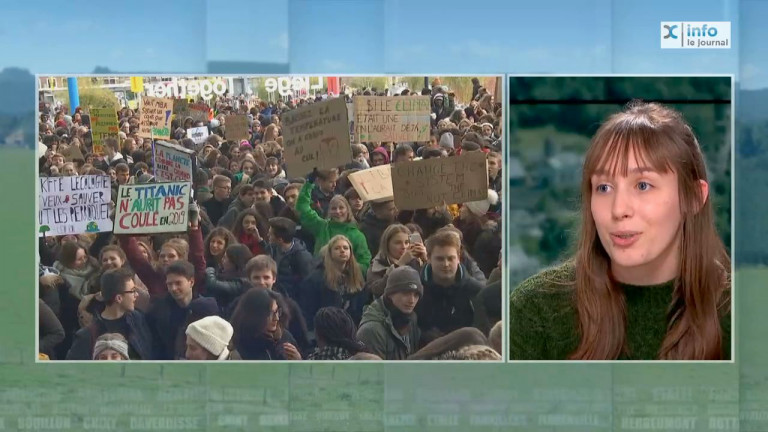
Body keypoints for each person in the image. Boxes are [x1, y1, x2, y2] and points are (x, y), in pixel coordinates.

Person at [509, 102, 731, 361]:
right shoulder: (535, 311)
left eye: (643, 185)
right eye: (604, 188)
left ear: (693, 197)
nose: (619, 209)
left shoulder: (743, 315)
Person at [67, 268, 154, 360]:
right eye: (132, 291)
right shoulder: (86, 336)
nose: (136, 295)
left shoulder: (138, 320)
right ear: (119, 298)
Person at [296, 171, 371, 275]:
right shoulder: (321, 227)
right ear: (329, 211)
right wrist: (309, 183)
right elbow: (302, 208)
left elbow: (365, 262)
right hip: (321, 279)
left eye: (341, 208)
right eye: (334, 208)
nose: (338, 212)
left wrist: (347, 271)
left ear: (348, 210)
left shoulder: (357, 235)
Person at [416, 230, 484, 342]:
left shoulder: (475, 290)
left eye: (450, 258)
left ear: (458, 258)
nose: (446, 264)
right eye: (440, 259)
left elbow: (482, 331)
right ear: (428, 258)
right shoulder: (417, 289)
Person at [299, 235, 368, 329]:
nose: (342, 251)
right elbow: (308, 310)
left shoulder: (357, 276)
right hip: (325, 328)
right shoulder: (316, 278)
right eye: (337, 248)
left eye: (345, 248)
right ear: (330, 253)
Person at [356, 266, 422, 360]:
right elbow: (375, 373)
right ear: (390, 294)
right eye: (405, 293)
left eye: (416, 295)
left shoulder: (411, 318)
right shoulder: (372, 330)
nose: (412, 300)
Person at [147, 261, 208, 360]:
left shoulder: (205, 309)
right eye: (169, 284)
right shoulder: (157, 310)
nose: (173, 288)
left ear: (191, 282)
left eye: (178, 283)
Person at [229, 289, 302, 360]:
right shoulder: (238, 344)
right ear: (255, 316)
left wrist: (298, 361)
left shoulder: (285, 337)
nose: (276, 318)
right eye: (270, 314)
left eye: (277, 312)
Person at [365, 224, 427, 298]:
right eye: (398, 243)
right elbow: (377, 290)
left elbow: (428, 285)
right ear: (387, 245)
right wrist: (399, 265)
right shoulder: (377, 265)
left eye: (406, 242)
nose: (404, 247)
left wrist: (426, 260)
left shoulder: (415, 262)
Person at [263, 217, 314, 300]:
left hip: (293, 300)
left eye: (271, 234)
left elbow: (308, 283)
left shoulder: (302, 256)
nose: (268, 235)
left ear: (280, 239)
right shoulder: (272, 249)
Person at [204, 244, 253, 313]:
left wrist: (210, 270)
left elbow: (213, 284)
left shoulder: (242, 283)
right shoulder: (224, 274)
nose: (222, 260)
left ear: (234, 262)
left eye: (225, 258)